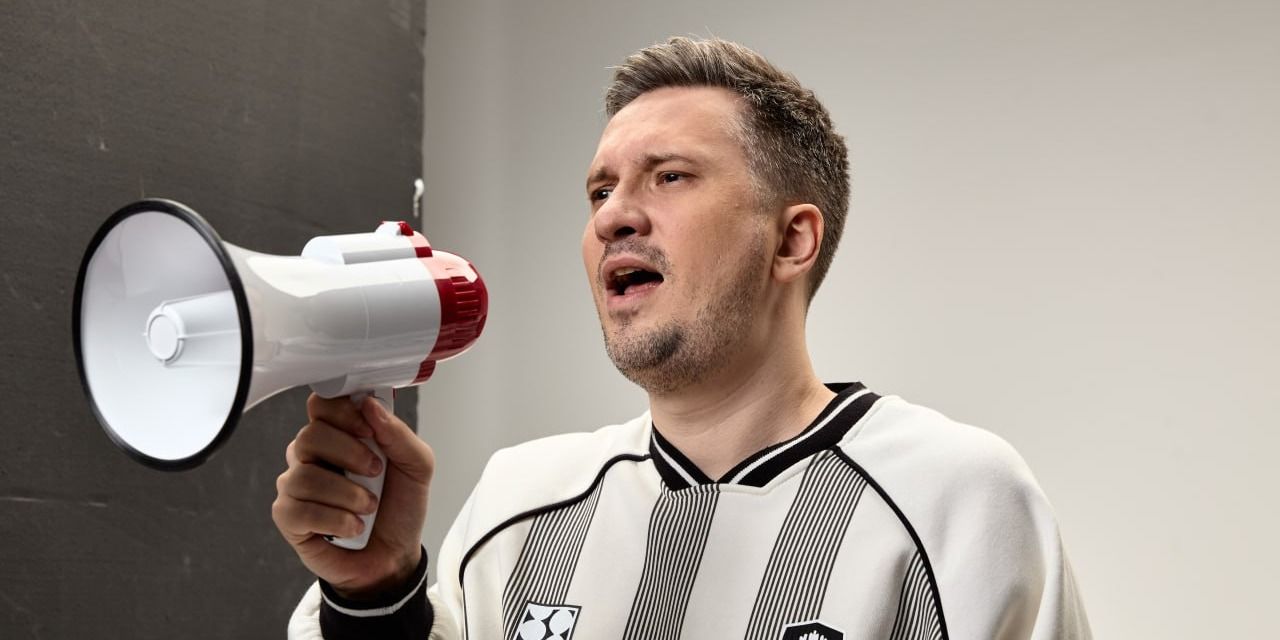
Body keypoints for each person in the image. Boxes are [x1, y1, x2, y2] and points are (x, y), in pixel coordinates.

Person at [277, 37, 1092, 639]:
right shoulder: (516, 504)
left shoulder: (957, 500)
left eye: (669, 176)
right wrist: (375, 594)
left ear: (791, 241)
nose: (613, 216)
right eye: (600, 190)